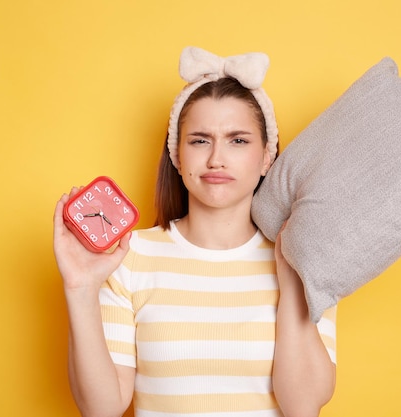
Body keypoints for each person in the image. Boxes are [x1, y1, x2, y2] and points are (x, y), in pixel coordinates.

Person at [53, 46, 337, 417]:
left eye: (238, 140)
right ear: (177, 154)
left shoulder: (304, 257)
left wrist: (293, 278)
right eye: (200, 140)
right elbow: (102, 409)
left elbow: (303, 407)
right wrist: (80, 288)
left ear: (267, 156)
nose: (216, 158)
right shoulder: (128, 257)